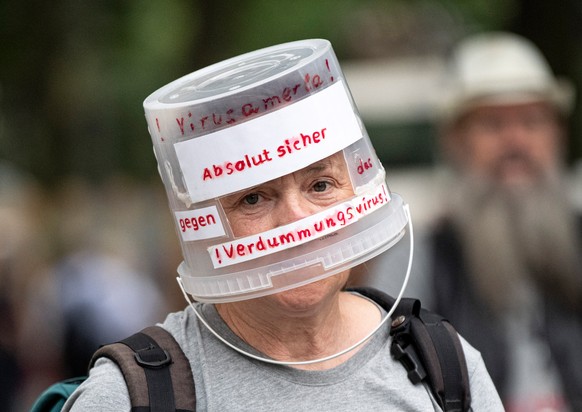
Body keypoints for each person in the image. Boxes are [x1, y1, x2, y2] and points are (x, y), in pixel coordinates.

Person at [62, 39, 502, 411]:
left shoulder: (444, 362)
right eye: (253, 198)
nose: (298, 220)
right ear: (205, 228)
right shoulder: (129, 396)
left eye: (321, 184)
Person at [429, 32, 582, 411]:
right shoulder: (424, 260)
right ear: (455, 141)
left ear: (557, 134)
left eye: (532, 122)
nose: (516, 142)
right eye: (493, 125)